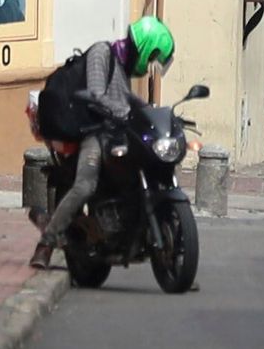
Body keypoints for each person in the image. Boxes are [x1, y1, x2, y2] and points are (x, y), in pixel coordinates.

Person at [33, 14, 173, 268]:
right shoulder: (102, 53)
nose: (150, 67)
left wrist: (158, 115)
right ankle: (46, 242)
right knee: (85, 185)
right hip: (94, 132)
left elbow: (129, 102)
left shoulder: (122, 68)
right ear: (145, 48)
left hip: (116, 135)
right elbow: (96, 94)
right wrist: (125, 111)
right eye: (153, 59)